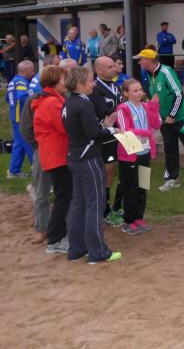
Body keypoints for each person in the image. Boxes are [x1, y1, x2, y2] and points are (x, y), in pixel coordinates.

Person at [62, 67, 122, 264]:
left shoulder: (69, 102)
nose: (94, 84)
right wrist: (112, 130)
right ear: (80, 83)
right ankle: (98, 252)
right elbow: (93, 134)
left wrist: (104, 127)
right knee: (94, 205)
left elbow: (86, 130)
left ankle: (76, 249)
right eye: (90, 81)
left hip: (75, 157)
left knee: (78, 204)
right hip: (88, 159)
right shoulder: (84, 103)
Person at [135, 48, 184, 191]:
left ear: (149, 60)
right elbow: (156, 98)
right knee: (170, 149)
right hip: (164, 120)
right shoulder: (150, 75)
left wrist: (172, 115)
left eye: (141, 59)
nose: (139, 62)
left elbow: (179, 94)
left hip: (180, 117)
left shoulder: (166, 72)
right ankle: (172, 178)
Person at [30, 66, 69, 251]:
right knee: (63, 197)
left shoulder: (53, 100)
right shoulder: (51, 102)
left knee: (64, 196)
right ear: (54, 82)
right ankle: (55, 239)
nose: (66, 82)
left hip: (56, 154)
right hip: (56, 155)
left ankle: (58, 236)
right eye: (63, 79)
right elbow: (64, 126)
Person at [115, 78, 161, 235]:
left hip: (144, 152)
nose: (139, 93)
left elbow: (156, 124)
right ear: (126, 93)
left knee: (143, 186)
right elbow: (125, 130)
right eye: (135, 91)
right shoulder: (122, 108)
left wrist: (154, 107)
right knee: (131, 188)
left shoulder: (145, 106)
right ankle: (129, 221)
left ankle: (139, 217)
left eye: (141, 89)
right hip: (130, 154)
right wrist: (145, 133)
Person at [89, 56, 123, 226]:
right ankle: (104, 208)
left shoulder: (115, 86)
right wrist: (125, 108)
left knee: (118, 169)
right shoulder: (95, 88)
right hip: (105, 135)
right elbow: (105, 113)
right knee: (107, 170)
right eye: (110, 67)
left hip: (119, 133)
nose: (114, 69)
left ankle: (116, 205)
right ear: (99, 70)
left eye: (114, 65)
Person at [6, 60, 35, 178]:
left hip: (15, 116)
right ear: (26, 70)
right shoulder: (21, 82)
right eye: (32, 70)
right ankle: (37, 168)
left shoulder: (12, 81)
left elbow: (7, 98)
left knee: (19, 143)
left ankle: (14, 170)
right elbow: (23, 97)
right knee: (29, 142)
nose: (33, 72)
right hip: (22, 117)